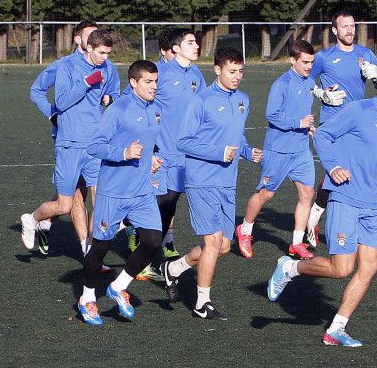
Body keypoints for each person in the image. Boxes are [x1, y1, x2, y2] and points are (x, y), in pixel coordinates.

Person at [265, 65, 377, 347]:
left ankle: (337, 328)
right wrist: (333, 166)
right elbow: (323, 135)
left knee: (369, 267)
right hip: (346, 198)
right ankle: (291, 268)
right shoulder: (358, 111)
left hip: (373, 204)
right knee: (341, 268)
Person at [157, 47, 262, 320]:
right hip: (201, 180)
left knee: (223, 246)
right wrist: (217, 152)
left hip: (227, 183)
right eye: (232, 71)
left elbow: (236, 136)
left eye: (240, 71)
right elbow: (184, 141)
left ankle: (174, 269)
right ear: (217, 70)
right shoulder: (201, 101)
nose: (237, 76)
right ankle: (202, 303)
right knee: (213, 242)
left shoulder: (243, 101)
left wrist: (248, 152)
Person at [75, 60, 166, 325]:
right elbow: (95, 146)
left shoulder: (155, 109)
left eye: (156, 81)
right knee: (100, 248)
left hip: (141, 192)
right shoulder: (118, 109)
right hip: (113, 193)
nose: (153, 87)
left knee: (152, 241)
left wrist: (152, 158)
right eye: (148, 82)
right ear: (134, 83)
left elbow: (149, 144)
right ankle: (87, 299)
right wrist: (124, 154)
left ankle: (118, 286)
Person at [18, 30, 120, 257]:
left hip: (95, 143)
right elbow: (61, 102)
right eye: (102, 52)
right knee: (64, 205)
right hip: (69, 144)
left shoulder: (107, 67)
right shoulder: (66, 66)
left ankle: (91, 251)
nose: (105, 57)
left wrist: (111, 99)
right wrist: (85, 83)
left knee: (100, 199)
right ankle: (33, 218)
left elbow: (116, 94)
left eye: (108, 53)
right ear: (89, 47)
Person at [305, 11, 377, 248]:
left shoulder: (365, 54)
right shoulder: (323, 57)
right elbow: (303, 78)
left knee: (347, 173)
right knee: (338, 172)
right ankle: (314, 221)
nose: (350, 30)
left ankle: (317, 218)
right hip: (332, 126)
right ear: (335, 31)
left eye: (352, 26)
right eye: (345, 26)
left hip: (358, 126)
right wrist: (321, 93)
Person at [237, 40, 319, 260]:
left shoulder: (310, 82)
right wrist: (298, 122)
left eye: (311, 62)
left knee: (307, 193)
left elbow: (302, 113)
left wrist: (308, 127)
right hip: (278, 150)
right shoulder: (281, 84)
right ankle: (244, 230)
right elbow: (272, 115)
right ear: (293, 60)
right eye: (305, 62)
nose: (309, 66)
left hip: (301, 150)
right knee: (266, 194)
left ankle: (296, 243)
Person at [151, 28, 207, 260]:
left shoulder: (196, 74)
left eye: (196, 42)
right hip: (162, 151)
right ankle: (142, 249)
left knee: (170, 202)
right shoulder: (160, 72)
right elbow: (136, 99)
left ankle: (152, 250)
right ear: (175, 48)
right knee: (160, 203)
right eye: (190, 42)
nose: (196, 46)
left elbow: (204, 106)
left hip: (186, 153)